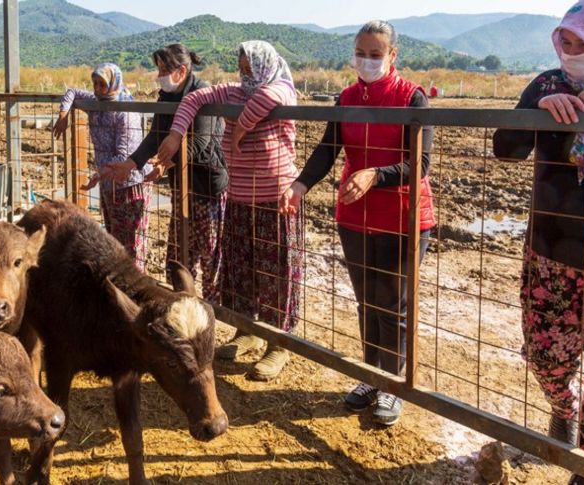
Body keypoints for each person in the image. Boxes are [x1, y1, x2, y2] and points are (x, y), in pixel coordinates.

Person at [281, 20, 436, 426]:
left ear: (393, 56)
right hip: (355, 217)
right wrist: (300, 184)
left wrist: (374, 175)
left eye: (376, 54)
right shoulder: (347, 97)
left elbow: (420, 164)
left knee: (394, 305)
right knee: (367, 300)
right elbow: (328, 148)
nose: (367, 61)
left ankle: (394, 385)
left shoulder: (412, 99)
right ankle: (371, 376)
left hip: (402, 219)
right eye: (361, 53)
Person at [493, 1, 584, 482]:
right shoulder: (547, 84)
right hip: (550, 249)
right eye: (564, 42)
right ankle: (562, 409)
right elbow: (505, 149)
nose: (570, 53)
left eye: (581, 44)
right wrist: (535, 112)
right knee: (546, 353)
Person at [157, 41, 303, 381]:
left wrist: (241, 126)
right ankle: (246, 329)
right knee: (241, 266)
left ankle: (279, 343)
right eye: (241, 68)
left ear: (265, 65)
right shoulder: (236, 91)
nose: (245, 75)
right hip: (239, 196)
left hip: (274, 197)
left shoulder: (280, 86)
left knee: (276, 272)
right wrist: (177, 134)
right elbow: (194, 99)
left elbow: (271, 97)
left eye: (250, 68)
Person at [104, 44, 228, 300]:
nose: (159, 74)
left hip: (206, 185)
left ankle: (214, 311)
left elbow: (200, 142)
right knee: (179, 253)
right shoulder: (166, 95)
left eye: (163, 69)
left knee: (209, 253)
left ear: (181, 71)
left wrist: (165, 164)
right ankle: (186, 303)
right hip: (181, 185)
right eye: (158, 69)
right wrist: (131, 163)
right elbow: (155, 136)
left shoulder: (201, 91)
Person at [53, 62, 152, 270]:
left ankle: (135, 288)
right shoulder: (97, 103)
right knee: (114, 241)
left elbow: (125, 156)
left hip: (128, 184)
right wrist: (63, 115)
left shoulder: (125, 111)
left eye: (102, 84)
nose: (97, 89)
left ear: (114, 83)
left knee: (131, 245)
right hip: (109, 182)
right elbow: (72, 92)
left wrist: (99, 175)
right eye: (95, 84)